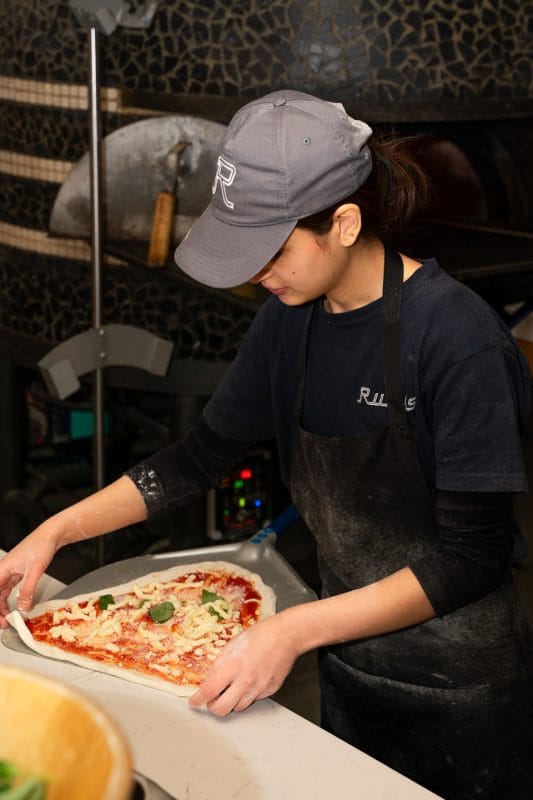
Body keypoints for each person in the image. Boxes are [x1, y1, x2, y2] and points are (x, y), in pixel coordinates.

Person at [1, 90, 532, 799]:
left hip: (463, 688)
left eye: (271, 251)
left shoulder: (457, 339)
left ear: (343, 223)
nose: (256, 275)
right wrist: (54, 531)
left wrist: (292, 630)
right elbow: (199, 458)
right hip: (343, 662)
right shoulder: (289, 318)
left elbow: (472, 558)